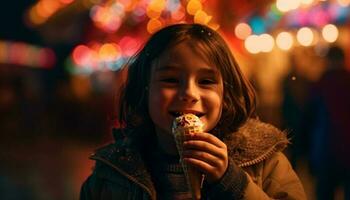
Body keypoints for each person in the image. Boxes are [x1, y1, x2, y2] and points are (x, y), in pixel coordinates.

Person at [80, 23, 306, 199]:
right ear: (144, 90)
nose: (189, 93)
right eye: (170, 79)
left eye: (206, 81)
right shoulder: (111, 176)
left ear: (225, 95)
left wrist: (233, 184)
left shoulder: (264, 163)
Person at [307, 46, 350, 200]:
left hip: (326, 149)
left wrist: (307, 153)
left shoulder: (320, 84)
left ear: (328, 61)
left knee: (325, 194)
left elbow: (309, 121)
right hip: (347, 151)